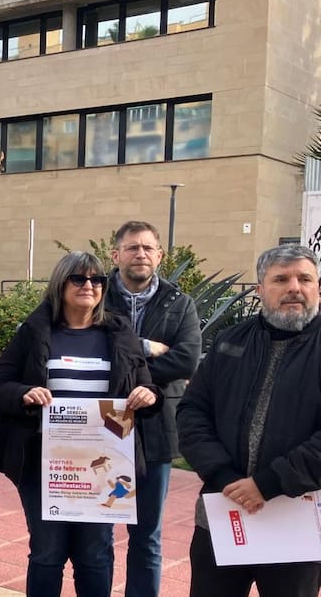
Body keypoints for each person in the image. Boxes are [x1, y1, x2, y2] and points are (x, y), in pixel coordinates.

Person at [0, 251, 161, 597]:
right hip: (45, 462)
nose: (89, 286)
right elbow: (0, 385)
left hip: (106, 463)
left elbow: (145, 384)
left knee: (95, 554)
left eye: (97, 280)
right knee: (47, 553)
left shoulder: (119, 332)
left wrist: (148, 395)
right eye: (79, 279)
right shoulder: (35, 330)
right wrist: (25, 393)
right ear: (60, 284)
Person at [177, 244, 321, 597]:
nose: (294, 288)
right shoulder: (229, 342)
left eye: (305, 278)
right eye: (281, 279)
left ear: (319, 286)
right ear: (260, 290)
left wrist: (268, 482)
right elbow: (192, 412)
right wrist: (223, 477)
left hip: (297, 520)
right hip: (224, 512)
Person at [104, 220, 201, 596]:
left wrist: (131, 373)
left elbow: (186, 360)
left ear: (160, 256)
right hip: (104, 427)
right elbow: (93, 348)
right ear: (116, 255)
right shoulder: (94, 295)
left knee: (147, 535)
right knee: (98, 531)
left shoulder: (181, 302)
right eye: (132, 248)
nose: (140, 254)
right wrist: (145, 348)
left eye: (147, 248)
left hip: (157, 429)